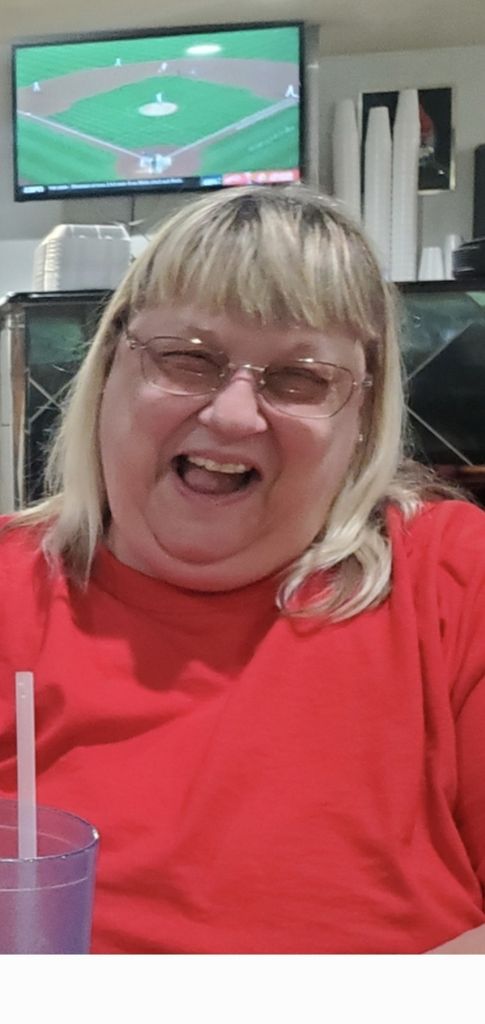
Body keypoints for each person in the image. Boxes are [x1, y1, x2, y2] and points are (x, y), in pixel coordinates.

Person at [0, 185, 484, 955]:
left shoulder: (454, 580)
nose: (231, 415)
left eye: (300, 379)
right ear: (107, 370)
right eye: (187, 359)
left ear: (362, 423)